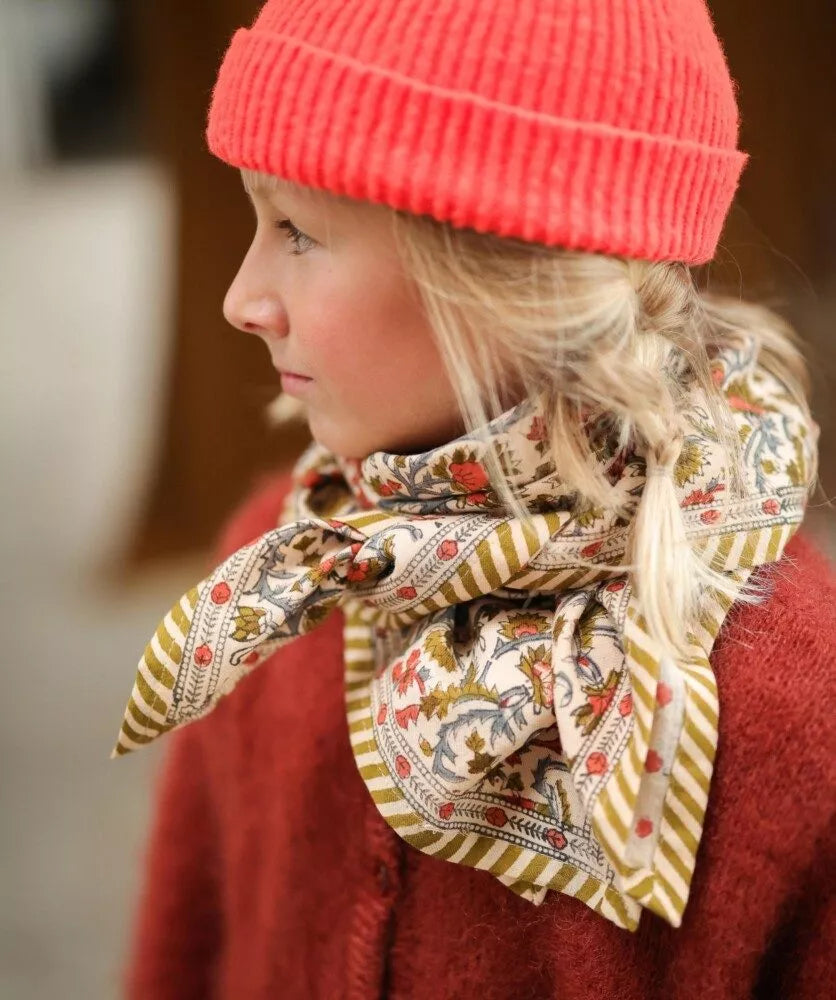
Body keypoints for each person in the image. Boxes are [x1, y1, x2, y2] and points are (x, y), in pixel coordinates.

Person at [120, 1, 835, 997]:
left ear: (511, 275)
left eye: (298, 232)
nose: (242, 300)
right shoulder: (280, 580)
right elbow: (183, 956)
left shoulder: (789, 713)